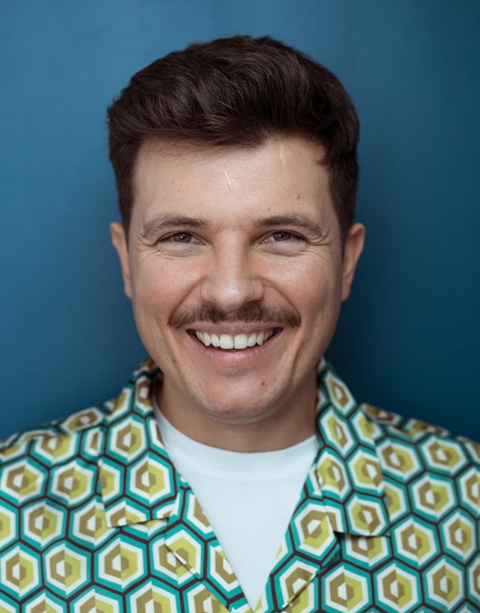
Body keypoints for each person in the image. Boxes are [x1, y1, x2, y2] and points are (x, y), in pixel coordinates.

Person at [0, 35, 478, 613]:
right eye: (182, 237)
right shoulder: (8, 507)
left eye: (281, 236)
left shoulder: (469, 504)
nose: (231, 292)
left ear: (346, 263)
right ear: (127, 262)